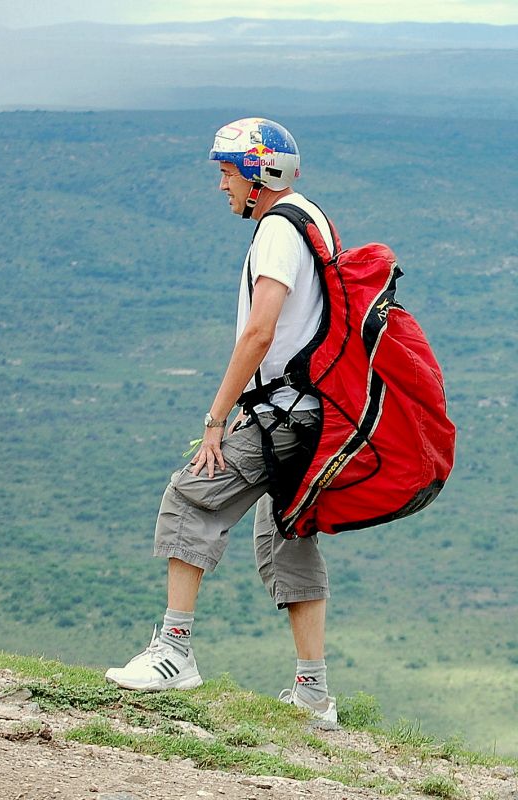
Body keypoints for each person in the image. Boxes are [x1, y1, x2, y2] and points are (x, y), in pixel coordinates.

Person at [105, 118, 337, 725]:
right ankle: (314, 696)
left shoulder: (276, 234)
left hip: (279, 416)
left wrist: (217, 418)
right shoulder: (312, 218)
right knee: (288, 536)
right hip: (310, 415)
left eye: (228, 172)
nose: (222, 186)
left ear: (260, 176)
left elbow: (261, 329)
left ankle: (173, 652)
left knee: (190, 498)